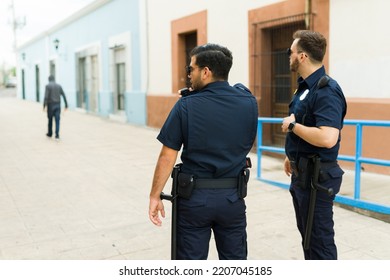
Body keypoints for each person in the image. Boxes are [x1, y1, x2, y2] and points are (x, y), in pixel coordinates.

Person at [148, 43, 258, 260]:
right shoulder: (248, 102)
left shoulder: (186, 106)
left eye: (191, 69)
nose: (189, 75)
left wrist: (154, 196)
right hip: (232, 198)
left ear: (206, 72)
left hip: (194, 200)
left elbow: (167, 156)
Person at [281, 30, 347, 260]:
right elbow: (307, 123)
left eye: (290, 52)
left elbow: (328, 138)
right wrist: (292, 154)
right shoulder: (305, 87)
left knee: (319, 241)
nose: (288, 56)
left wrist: (292, 127)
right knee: (308, 239)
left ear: (302, 56)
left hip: (317, 179)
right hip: (303, 175)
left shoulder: (326, 90)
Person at [43, 75, 68, 140]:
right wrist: (66, 105)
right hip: (57, 105)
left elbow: (46, 96)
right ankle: (57, 135)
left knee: (50, 119)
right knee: (57, 120)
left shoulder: (48, 86)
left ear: (49, 79)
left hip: (50, 105)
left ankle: (50, 133)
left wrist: (44, 106)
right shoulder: (59, 86)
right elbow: (63, 95)